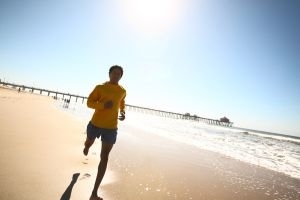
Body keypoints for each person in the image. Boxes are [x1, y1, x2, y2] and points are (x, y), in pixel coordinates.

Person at [83, 65, 126, 200]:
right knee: (89, 142)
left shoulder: (122, 91)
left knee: (105, 156)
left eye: (119, 74)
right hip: (95, 124)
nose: (116, 76)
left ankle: (94, 193)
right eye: (114, 73)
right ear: (109, 74)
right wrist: (102, 106)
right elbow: (89, 102)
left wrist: (123, 111)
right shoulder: (100, 87)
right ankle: (86, 146)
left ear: (121, 76)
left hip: (111, 127)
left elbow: (122, 101)